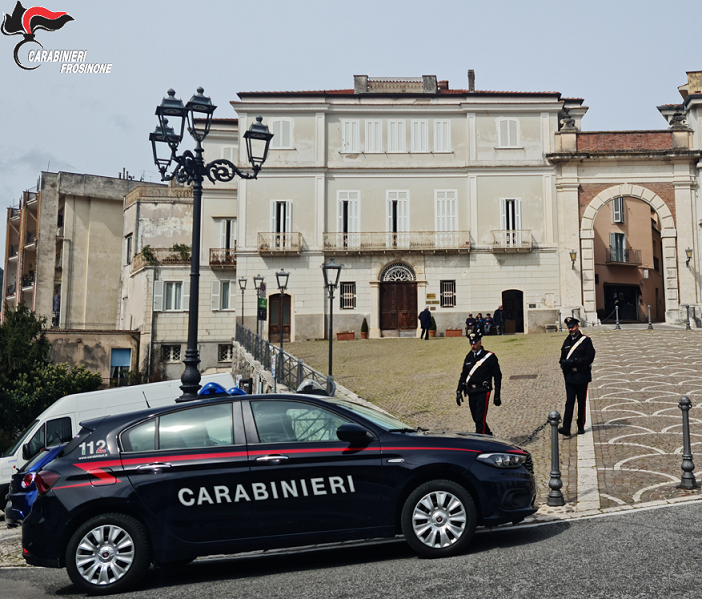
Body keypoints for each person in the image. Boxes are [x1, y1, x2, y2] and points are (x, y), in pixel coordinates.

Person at [456, 332, 502, 435]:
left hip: (483, 391)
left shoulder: (489, 357)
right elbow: (464, 374)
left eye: (475, 343)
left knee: (479, 420)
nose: (473, 345)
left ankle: (480, 442)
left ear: (480, 342)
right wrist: (459, 390)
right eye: (471, 343)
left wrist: (497, 395)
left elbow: (497, 376)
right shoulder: (469, 357)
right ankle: (489, 436)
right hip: (471, 391)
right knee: (476, 418)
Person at [558, 317, 596, 436]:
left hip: (582, 375)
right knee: (569, 402)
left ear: (578, 327)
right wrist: (563, 364)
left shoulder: (586, 341)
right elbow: (562, 358)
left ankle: (580, 425)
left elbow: (589, 358)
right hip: (570, 377)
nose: (571, 329)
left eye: (572, 327)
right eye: (569, 327)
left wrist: (575, 361)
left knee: (581, 402)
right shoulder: (566, 342)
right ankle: (566, 427)